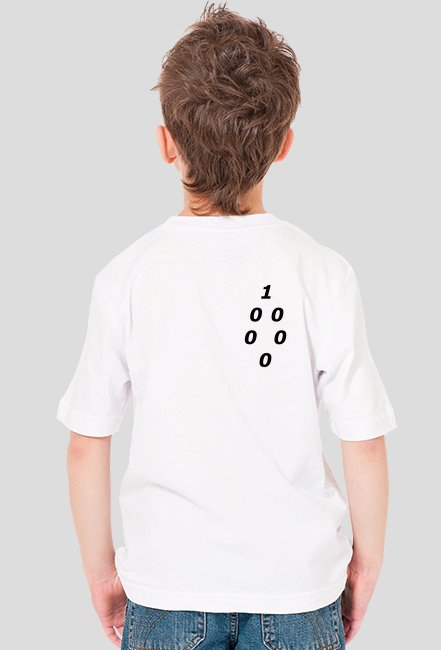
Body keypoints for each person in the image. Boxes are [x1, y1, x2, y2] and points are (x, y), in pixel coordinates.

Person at [56, 4, 397, 648]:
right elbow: (365, 439)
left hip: (167, 585)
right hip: (298, 589)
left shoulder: (126, 276)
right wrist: (366, 564)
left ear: (166, 143)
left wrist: (101, 574)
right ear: (284, 144)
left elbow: (86, 442)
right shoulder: (323, 273)